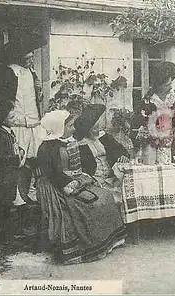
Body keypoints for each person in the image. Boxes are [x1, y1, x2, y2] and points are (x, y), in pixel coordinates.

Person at [36, 110, 126, 264]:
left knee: (104, 196)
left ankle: (108, 241)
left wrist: (81, 178)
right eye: (70, 126)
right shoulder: (47, 147)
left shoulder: (64, 142)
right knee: (91, 204)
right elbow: (52, 173)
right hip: (56, 187)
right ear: (59, 127)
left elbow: (74, 167)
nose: (73, 129)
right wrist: (70, 184)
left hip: (69, 180)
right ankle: (90, 246)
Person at [0, 40, 48, 204]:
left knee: (36, 158)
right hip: (18, 123)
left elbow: (36, 99)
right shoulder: (10, 72)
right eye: (28, 58)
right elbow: (4, 99)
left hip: (33, 123)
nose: (31, 61)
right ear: (19, 57)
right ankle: (16, 194)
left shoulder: (32, 72)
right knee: (18, 160)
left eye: (32, 58)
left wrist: (39, 91)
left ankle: (32, 189)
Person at [0, 96, 32, 239]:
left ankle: (16, 231)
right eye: (11, 117)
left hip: (13, 174)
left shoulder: (10, 132)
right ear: (2, 119)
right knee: (6, 203)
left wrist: (20, 150)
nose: (15, 120)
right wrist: (16, 158)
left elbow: (15, 145)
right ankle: (6, 234)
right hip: (5, 176)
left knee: (17, 200)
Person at [74, 104, 130, 204]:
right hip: (95, 181)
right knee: (110, 200)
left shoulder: (104, 137)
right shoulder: (80, 144)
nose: (98, 130)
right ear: (87, 130)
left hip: (112, 178)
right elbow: (80, 168)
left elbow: (121, 150)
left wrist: (122, 156)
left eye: (98, 127)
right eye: (94, 129)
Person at [134, 61, 175, 164]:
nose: (170, 87)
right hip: (152, 148)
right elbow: (140, 125)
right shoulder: (147, 102)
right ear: (158, 85)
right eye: (167, 85)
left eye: (171, 83)